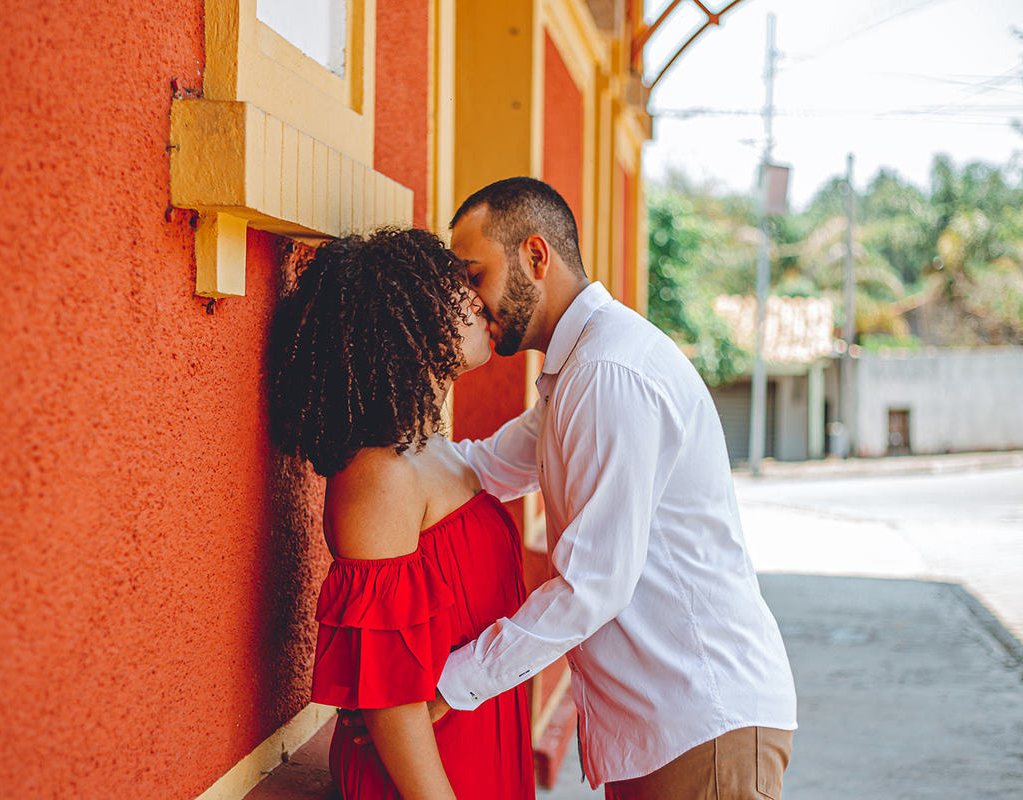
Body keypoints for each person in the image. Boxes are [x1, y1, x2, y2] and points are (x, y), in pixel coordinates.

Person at [431, 177, 798, 799]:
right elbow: (483, 468)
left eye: (474, 276)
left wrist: (454, 683)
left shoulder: (608, 372)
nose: (468, 302)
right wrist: (386, 449)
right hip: (665, 732)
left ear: (535, 256)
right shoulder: (580, 370)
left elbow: (592, 585)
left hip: (700, 725)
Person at [267, 228, 536, 800]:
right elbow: (388, 694)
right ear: (407, 320)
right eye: (456, 287)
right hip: (429, 777)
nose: (478, 299)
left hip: (476, 746)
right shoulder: (379, 474)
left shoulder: (434, 451)